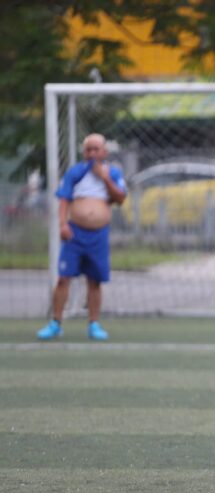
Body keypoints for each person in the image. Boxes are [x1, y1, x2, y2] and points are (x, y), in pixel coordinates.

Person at [36, 133, 127, 341]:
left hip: (98, 236)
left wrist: (104, 177)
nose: (92, 153)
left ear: (104, 152)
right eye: (88, 149)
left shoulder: (113, 173)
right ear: (84, 152)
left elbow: (120, 198)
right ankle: (55, 323)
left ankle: (94, 324)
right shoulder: (75, 173)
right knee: (64, 278)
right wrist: (63, 224)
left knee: (95, 281)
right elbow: (64, 200)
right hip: (75, 234)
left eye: (96, 149)